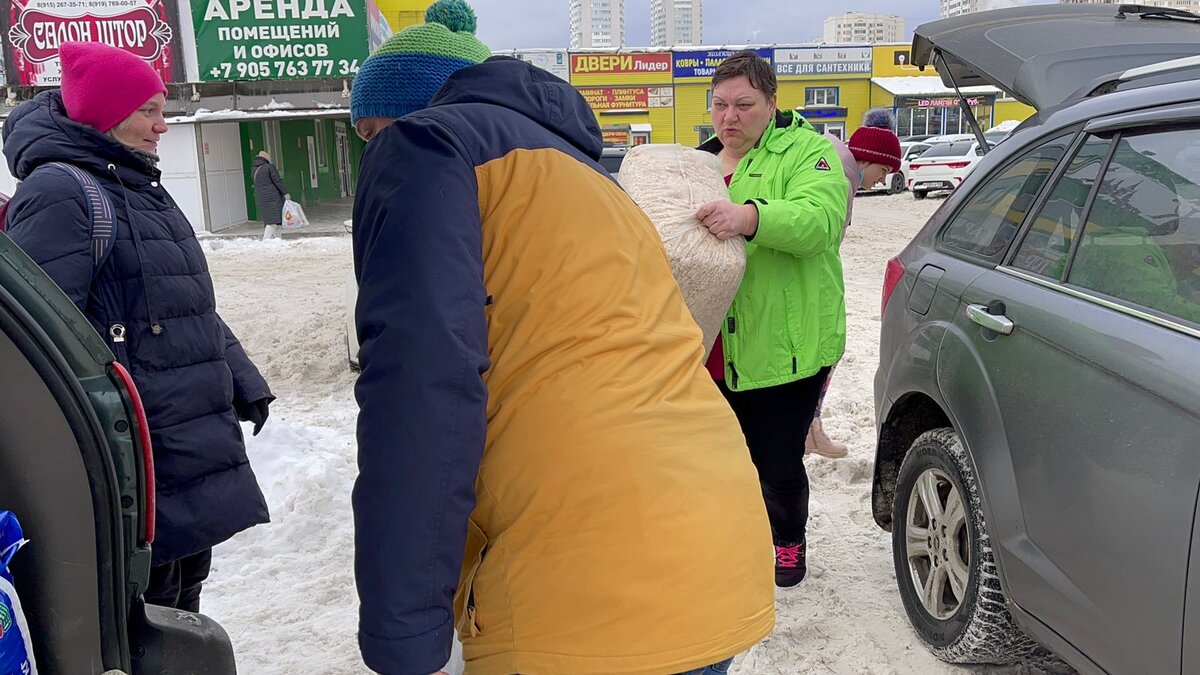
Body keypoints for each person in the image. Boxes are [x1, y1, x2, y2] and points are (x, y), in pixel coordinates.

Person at [348, 2, 774, 674]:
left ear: (421, 107)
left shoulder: (426, 148)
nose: (372, 150)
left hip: (583, 584)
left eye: (373, 131)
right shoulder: (598, 186)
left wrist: (402, 635)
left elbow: (420, 390)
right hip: (716, 537)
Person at [2, 41, 272, 612]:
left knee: (180, 608)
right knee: (147, 617)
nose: (163, 125)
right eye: (149, 110)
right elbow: (37, 342)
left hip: (181, 439)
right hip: (136, 456)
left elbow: (184, 303)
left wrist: (240, 377)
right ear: (107, 114)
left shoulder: (138, 186)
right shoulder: (62, 194)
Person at [697, 51, 850, 587]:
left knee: (777, 461)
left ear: (772, 103)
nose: (729, 118)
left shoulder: (809, 153)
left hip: (786, 343)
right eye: (719, 105)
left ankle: (787, 541)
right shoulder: (701, 162)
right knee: (722, 460)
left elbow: (821, 221)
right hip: (717, 341)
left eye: (743, 105)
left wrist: (749, 217)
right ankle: (739, 540)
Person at [806, 110, 902, 459]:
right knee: (824, 350)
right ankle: (808, 428)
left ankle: (809, 427)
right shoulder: (840, 176)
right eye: (884, 170)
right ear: (869, 159)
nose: (883, 179)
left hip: (806, 278)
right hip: (807, 281)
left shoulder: (833, 163)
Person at [252, 150, 290, 240]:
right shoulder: (269, 167)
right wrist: (285, 193)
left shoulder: (254, 170)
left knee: (274, 220)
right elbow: (277, 181)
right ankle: (266, 240)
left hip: (262, 197)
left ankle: (278, 239)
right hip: (273, 197)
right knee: (273, 221)